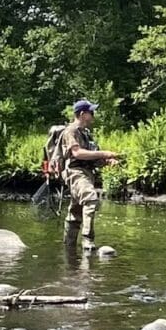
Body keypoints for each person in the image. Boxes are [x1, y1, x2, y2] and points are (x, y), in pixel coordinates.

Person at [46, 98, 120, 251]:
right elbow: (77, 153)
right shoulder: (70, 131)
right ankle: (88, 242)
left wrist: (107, 161)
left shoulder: (86, 134)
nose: (93, 114)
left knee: (76, 211)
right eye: (90, 112)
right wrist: (104, 152)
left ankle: (68, 246)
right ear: (81, 114)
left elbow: (92, 159)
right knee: (91, 199)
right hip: (75, 173)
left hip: (86, 174)